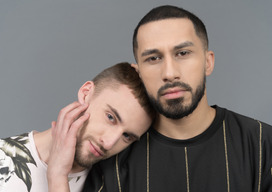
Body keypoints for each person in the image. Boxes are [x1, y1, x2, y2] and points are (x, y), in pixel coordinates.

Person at [82, 5, 272, 191]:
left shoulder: (263, 144)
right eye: (153, 58)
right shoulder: (111, 161)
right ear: (138, 72)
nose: (170, 73)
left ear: (208, 62)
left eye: (182, 53)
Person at [0, 62, 154, 192]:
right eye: (110, 117)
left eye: (127, 136)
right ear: (86, 93)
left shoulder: (112, 185)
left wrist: (57, 176)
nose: (109, 143)